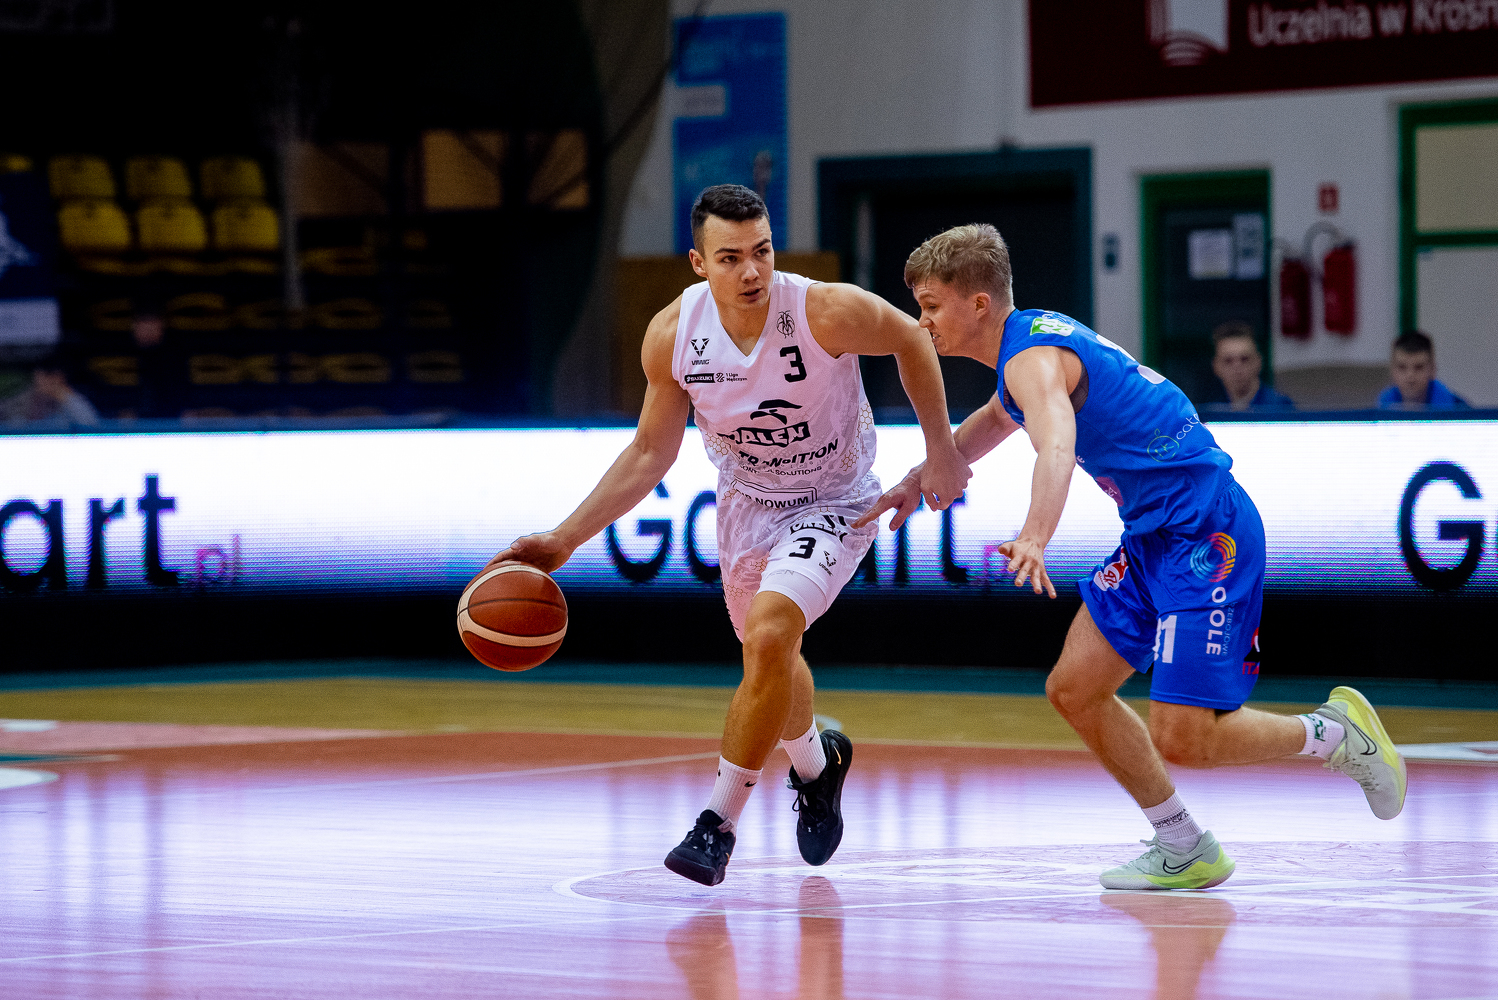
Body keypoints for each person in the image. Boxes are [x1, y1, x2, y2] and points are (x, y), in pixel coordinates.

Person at [856, 224, 1406, 890]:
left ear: (978, 304)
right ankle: (1183, 844)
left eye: (931, 306)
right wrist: (919, 479)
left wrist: (1035, 535)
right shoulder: (1025, 348)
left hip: (1206, 534)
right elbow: (994, 423)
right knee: (1074, 689)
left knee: (1186, 736)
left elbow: (1056, 447)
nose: (922, 322)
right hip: (1152, 537)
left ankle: (1336, 733)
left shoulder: (1032, 360)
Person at [494, 185, 969, 886]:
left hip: (833, 500)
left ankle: (715, 825)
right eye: (730, 258)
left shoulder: (822, 310)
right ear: (698, 263)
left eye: (762, 252)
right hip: (746, 504)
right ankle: (818, 765)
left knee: (771, 635)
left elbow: (910, 338)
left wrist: (941, 450)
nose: (752, 271)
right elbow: (649, 453)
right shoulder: (673, 335)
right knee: (767, 655)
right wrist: (565, 539)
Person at [1207, 322, 1293, 411]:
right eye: (1228, 361)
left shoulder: (1283, 409)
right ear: (1216, 366)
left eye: (1244, 359)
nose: (1237, 367)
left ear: (1258, 362)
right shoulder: (1212, 411)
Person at [1378, 331, 1470, 409]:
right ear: (1392, 370)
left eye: (1419, 367)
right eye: (1402, 367)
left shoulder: (1463, 414)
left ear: (1432, 370)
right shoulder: (1377, 413)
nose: (1410, 375)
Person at [0, 365, 101, 427]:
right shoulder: (18, 400)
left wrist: (66, 398)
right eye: (47, 375)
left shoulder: (69, 399)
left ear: (62, 378)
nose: (50, 381)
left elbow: (92, 424)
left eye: (56, 376)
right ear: (36, 376)